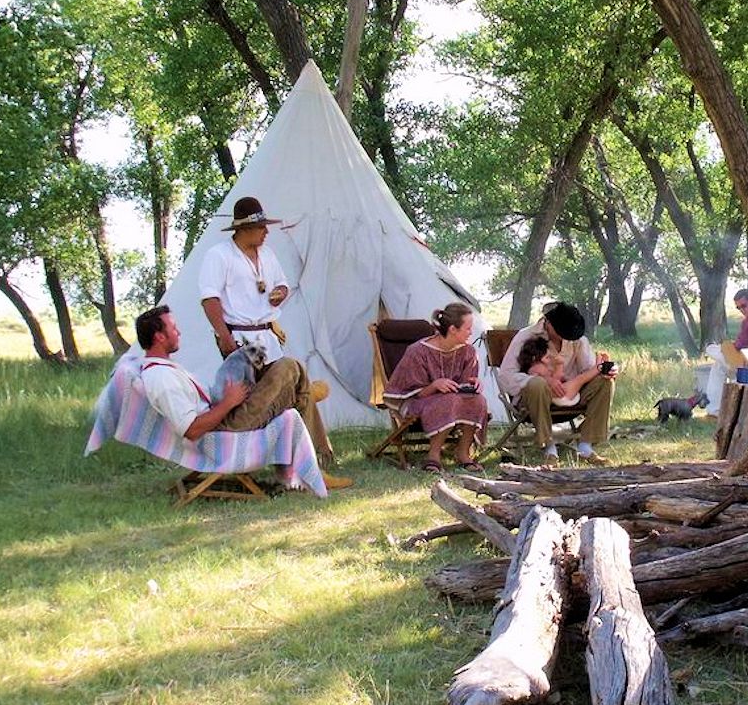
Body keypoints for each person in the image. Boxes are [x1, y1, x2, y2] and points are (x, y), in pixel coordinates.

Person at [135, 305, 351, 490]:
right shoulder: (161, 378)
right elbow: (192, 430)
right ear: (159, 337)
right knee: (289, 367)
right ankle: (312, 458)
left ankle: (301, 396)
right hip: (226, 427)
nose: (178, 332)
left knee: (278, 367)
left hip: (225, 415)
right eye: (173, 328)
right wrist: (229, 402)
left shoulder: (164, 370)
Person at [198, 195, 334, 465]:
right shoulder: (220, 255)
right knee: (262, 394)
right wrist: (225, 337)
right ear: (245, 229)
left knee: (282, 385)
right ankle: (267, 445)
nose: (266, 232)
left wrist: (279, 294)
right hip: (241, 337)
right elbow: (209, 299)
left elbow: (282, 284)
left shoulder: (268, 255)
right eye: (261, 227)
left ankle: (313, 455)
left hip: (266, 335)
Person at [498, 301, 616, 466]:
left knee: (605, 383)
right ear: (549, 324)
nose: (566, 336)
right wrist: (545, 380)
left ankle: (585, 445)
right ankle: (548, 447)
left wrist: (604, 371)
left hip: (569, 395)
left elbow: (589, 370)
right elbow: (506, 377)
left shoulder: (577, 340)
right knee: (537, 384)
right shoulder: (526, 336)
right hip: (534, 400)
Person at [385, 302, 490, 473]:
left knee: (478, 400)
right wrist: (435, 385)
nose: (471, 332)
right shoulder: (418, 351)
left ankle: (463, 453)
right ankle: (433, 456)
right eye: (468, 328)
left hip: (452, 399)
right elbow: (411, 393)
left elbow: (464, 385)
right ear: (453, 330)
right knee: (448, 401)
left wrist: (473, 384)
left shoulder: (468, 351)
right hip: (418, 401)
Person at [519, 337, 595, 407]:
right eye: (547, 357)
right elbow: (554, 383)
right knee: (580, 379)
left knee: (579, 379)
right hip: (558, 397)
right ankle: (598, 368)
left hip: (558, 396)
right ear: (535, 359)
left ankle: (597, 368)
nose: (549, 361)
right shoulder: (537, 368)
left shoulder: (539, 368)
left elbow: (555, 381)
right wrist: (559, 366)